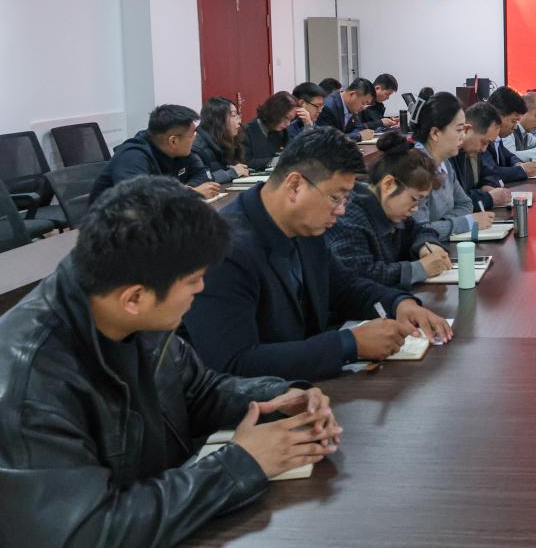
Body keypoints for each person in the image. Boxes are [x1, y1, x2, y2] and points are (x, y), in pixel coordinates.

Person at [0, 177, 341, 547]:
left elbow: (199, 391)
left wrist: (280, 398)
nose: (202, 289)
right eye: (193, 280)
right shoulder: (28, 383)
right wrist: (240, 464)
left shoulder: (128, 304)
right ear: (135, 298)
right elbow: (88, 532)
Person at [181, 127, 451, 381]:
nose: (342, 210)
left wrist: (399, 304)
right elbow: (233, 363)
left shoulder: (305, 226)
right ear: (295, 185)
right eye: (336, 198)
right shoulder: (224, 249)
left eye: (345, 199)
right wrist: (349, 344)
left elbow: (343, 287)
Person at [325, 133, 450, 290]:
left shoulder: (392, 210)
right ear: (388, 184)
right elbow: (359, 275)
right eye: (414, 199)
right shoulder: (349, 216)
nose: (415, 208)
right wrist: (419, 269)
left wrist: (427, 246)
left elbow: (420, 231)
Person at [89, 104, 219, 204]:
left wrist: (188, 189)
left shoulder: (181, 152)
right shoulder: (133, 156)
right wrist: (190, 194)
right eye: (192, 135)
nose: (195, 138)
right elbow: (136, 198)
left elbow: (204, 174)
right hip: (109, 224)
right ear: (173, 141)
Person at [412, 92, 495, 239]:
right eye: (459, 130)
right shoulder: (415, 168)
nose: (463, 136)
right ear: (435, 133)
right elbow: (420, 231)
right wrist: (466, 222)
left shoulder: (445, 162)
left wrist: (443, 224)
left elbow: (466, 204)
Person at [454, 101, 514, 211]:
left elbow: (491, 174)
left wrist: (486, 186)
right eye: (484, 142)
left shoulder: (474, 150)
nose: (484, 149)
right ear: (467, 130)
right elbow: (457, 201)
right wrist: (488, 198)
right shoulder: (450, 155)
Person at [485, 87, 536, 184]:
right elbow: (490, 172)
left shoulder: (498, 138)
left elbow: (510, 156)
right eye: (513, 121)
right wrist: (522, 170)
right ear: (497, 116)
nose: (515, 127)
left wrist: (518, 164)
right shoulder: (483, 138)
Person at [192, 96, 249, 184]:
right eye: (233, 115)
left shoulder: (222, 139)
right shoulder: (198, 148)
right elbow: (199, 181)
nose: (239, 121)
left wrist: (232, 168)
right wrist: (231, 173)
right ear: (218, 120)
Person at [243, 91, 299, 171]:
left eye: (291, 120)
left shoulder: (284, 131)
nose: (288, 124)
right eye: (286, 118)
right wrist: (274, 161)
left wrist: (308, 125)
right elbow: (246, 162)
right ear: (274, 112)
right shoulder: (247, 131)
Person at [316, 77, 375, 141]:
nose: (363, 108)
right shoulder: (328, 107)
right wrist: (358, 136)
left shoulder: (352, 107)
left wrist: (355, 135)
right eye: (363, 103)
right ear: (352, 94)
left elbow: (359, 128)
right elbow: (329, 140)